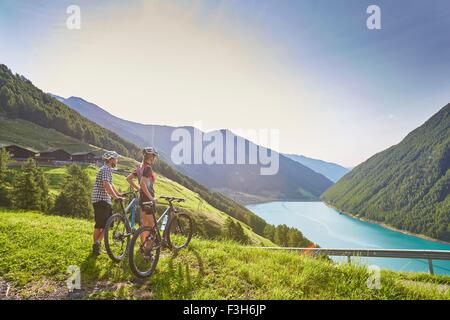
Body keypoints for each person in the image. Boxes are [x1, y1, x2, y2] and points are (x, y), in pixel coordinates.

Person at [91, 151, 124, 256]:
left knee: (104, 225)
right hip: (102, 200)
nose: (117, 160)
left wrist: (118, 194)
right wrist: (116, 197)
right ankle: (97, 244)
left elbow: (111, 184)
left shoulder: (107, 169)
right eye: (115, 158)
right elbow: (106, 185)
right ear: (110, 160)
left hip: (102, 200)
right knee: (103, 225)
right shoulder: (106, 169)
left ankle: (96, 245)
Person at [127, 147, 158, 252]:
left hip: (142, 199)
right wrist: (151, 198)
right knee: (152, 226)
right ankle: (147, 250)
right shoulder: (148, 168)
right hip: (148, 200)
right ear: (151, 157)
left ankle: (142, 247)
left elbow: (129, 178)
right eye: (154, 156)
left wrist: (139, 190)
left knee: (144, 225)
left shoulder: (140, 167)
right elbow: (143, 183)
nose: (154, 158)